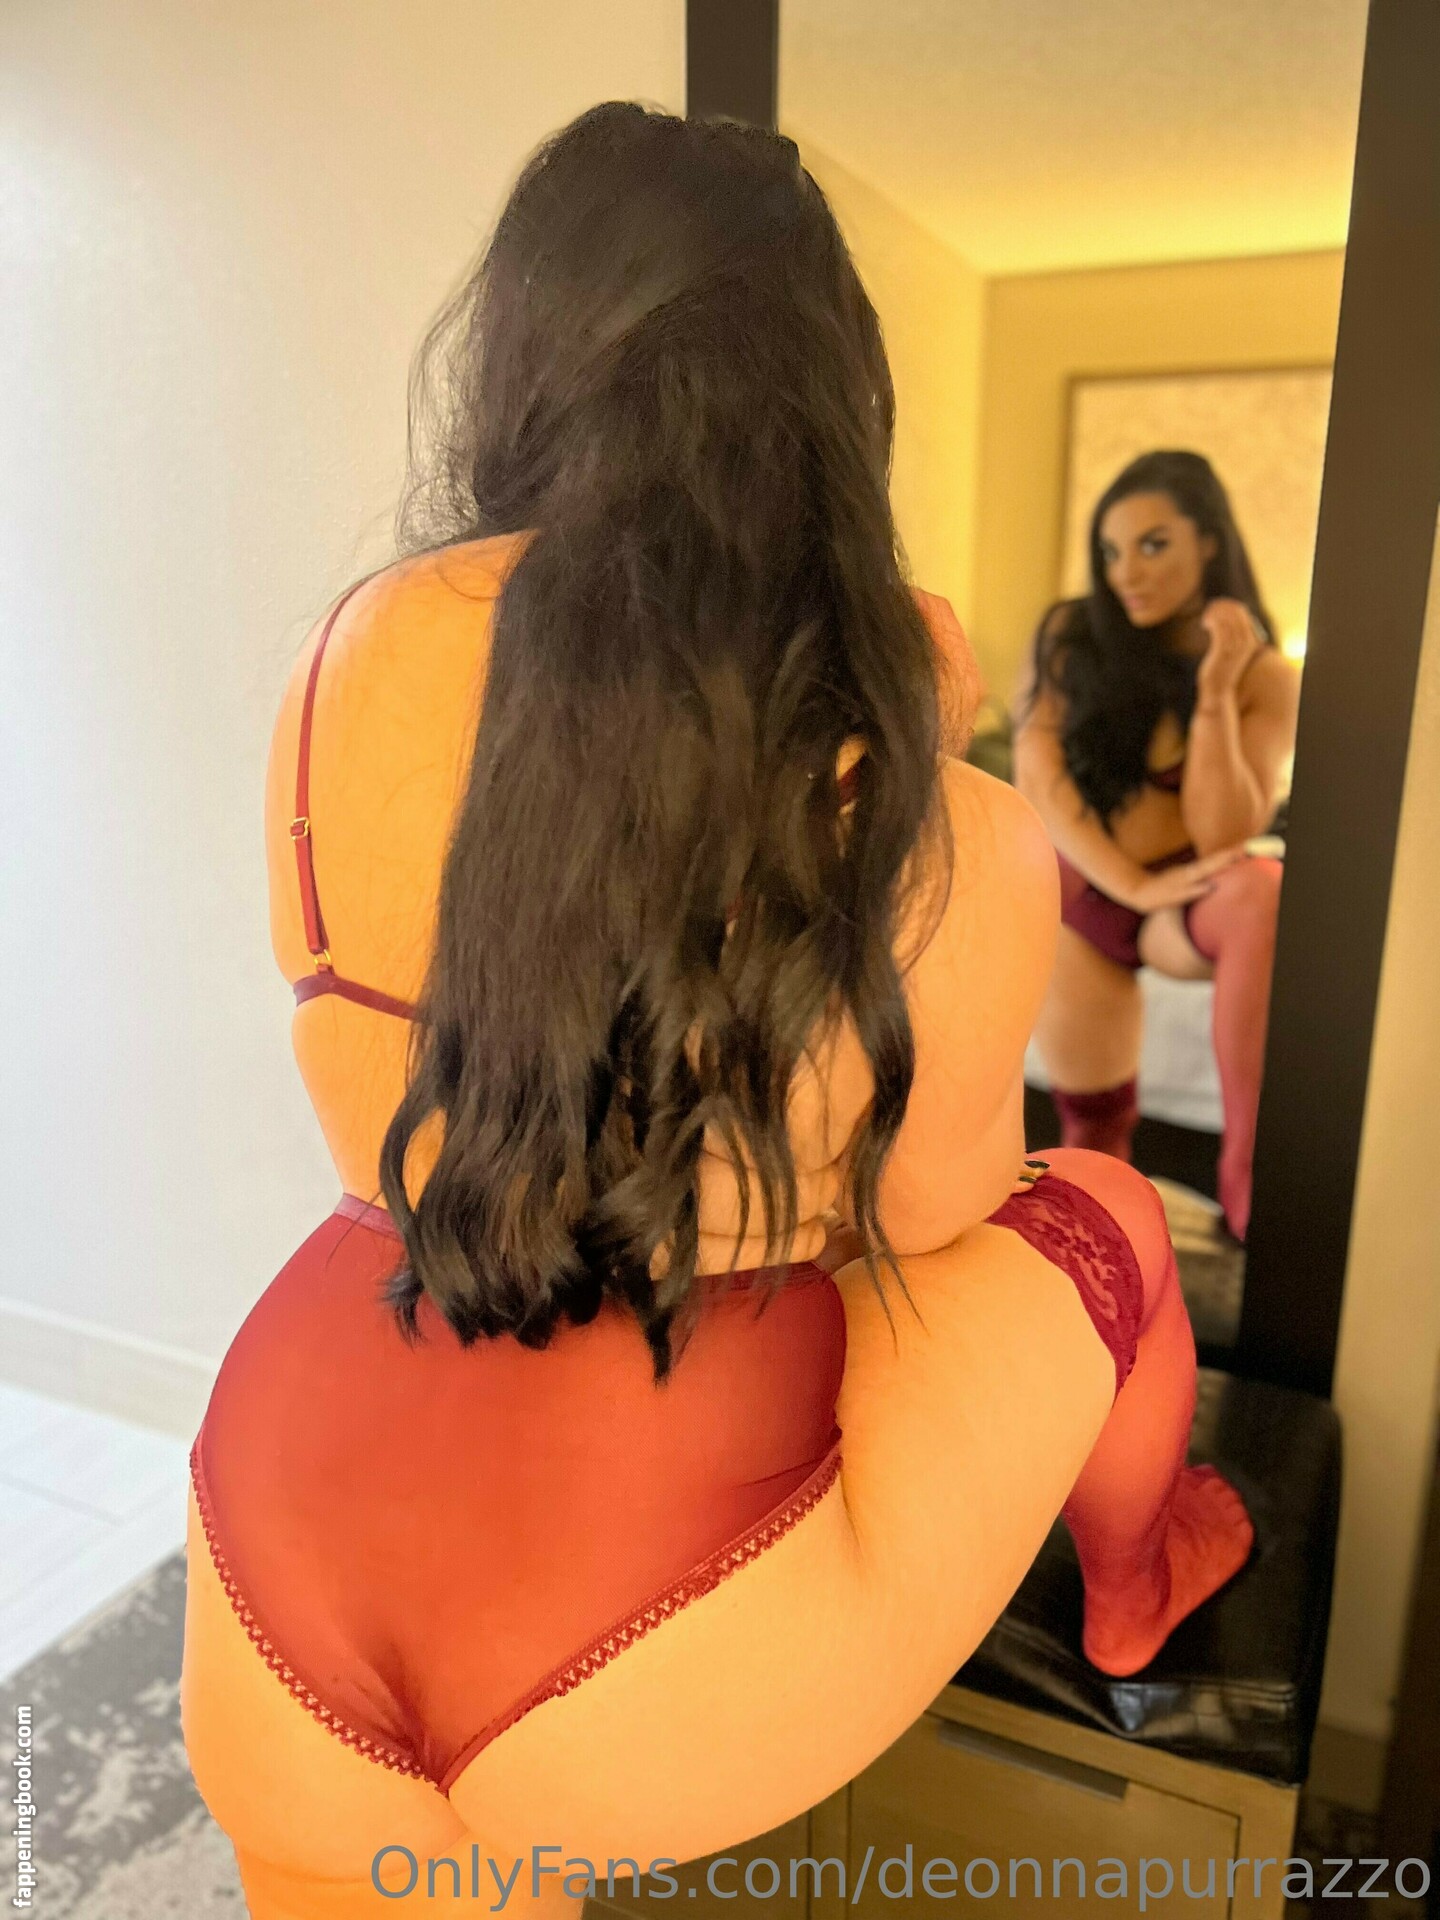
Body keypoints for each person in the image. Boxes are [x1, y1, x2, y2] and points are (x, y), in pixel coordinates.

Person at [180, 107, 1253, 1917]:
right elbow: (942, 1223)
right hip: (656, 1617)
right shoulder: (931, 818)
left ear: (517, 360)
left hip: (285, 1517)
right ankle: (1140, 1583)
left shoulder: (334, 669)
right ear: (833, 411)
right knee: (1105, 1211)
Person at [1013, 451, 1301, 1242]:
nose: (1126, 573)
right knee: (1094, 1135)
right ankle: (1098, 1272)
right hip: (1087, 890)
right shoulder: (1073, 633)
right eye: (1111, 551)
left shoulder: (1264, 676)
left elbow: (1222, 833)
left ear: (1209, 541)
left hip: (1183, 902)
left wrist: (1215, 693)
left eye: (1153, 545)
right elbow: (1039, 778)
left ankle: (1248, 1182)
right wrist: (1131, 886)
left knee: (1262, 886)